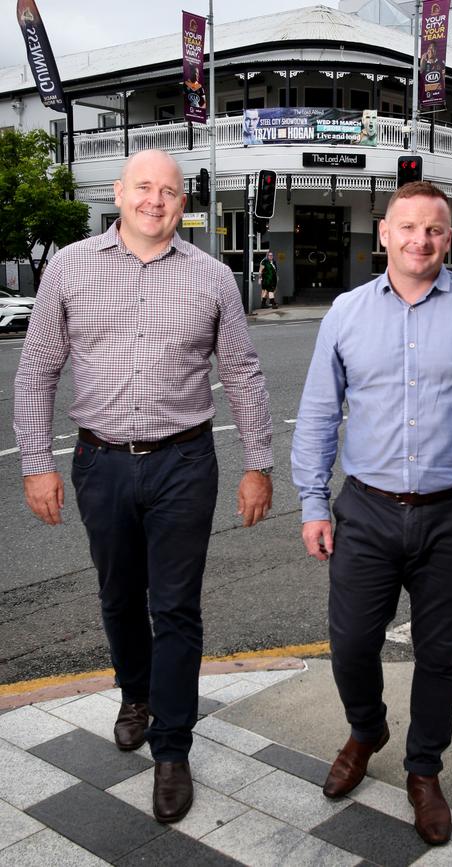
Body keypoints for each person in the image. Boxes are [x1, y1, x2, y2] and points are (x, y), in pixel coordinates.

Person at [14, 149, 273, 825]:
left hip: (185, 463)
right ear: (119, 193)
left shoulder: (213, 278)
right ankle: (135, 691)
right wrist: (35, 462)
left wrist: (258, 462)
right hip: (101, 464)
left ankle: (172, 748)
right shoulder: (69, 267)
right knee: (119, 595)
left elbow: (243, 374)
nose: (155, 200)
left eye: (169, 191)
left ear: (182, 203)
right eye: (144, 188)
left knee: (177, 607)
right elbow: (37, 370)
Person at [291, 181, 452, 847]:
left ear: (447, 239)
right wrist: (313, 500)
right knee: (351, 643)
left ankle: (423, 769)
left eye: (434, 229)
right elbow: (317, 413)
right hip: (365, 510)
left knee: (439, 653)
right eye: (408, 228)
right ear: (385, 236)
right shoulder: (344, 313)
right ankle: (367, 729)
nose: (420, 240)